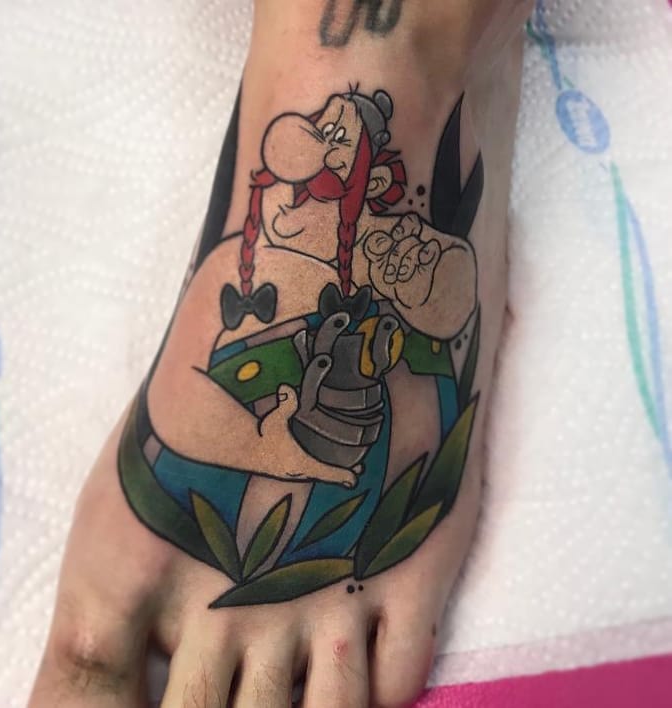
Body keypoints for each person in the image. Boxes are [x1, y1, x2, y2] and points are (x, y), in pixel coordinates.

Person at [29, 1, 533, 706]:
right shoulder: (287, 211)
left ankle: (421, 47)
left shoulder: (370, 228)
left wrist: (415, 266)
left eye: (338, 137)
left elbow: (438, 294)